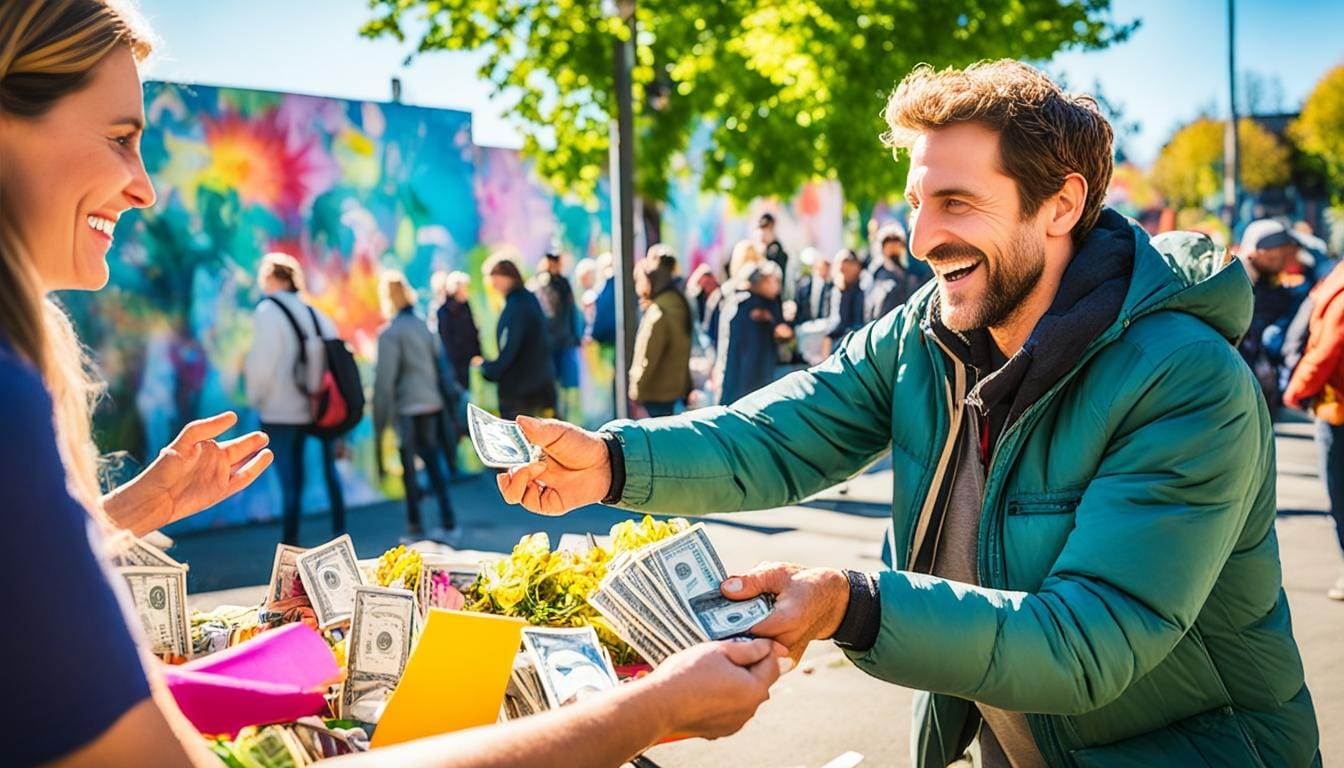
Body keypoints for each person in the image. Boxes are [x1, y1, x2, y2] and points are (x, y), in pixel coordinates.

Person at [496, 59, 1318, 767]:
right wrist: (610, 461)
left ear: (1061, 205)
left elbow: (1086, 642)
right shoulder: (927, 330)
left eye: (956, 203)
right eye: (917, 201)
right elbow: (780, 435)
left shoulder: (1185, 378)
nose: (921, 236)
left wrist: (850, 601)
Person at [244, 252, 347, 546]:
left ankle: (291, 543)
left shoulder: (267, 312)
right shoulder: (316, 314)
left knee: (291, 482)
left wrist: (257, 399)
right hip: (320, 409)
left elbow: (261, 364)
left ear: (274, 279)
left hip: (281, 410)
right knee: (329, 472)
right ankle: (341, 533)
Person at [373, 271, 456, 542]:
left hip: (407, 409)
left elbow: (385, 382)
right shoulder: (424, 326)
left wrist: (380, 420)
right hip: (431, 405)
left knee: (409, 469)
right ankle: (448, 522)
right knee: (433, 461)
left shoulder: (390, 334)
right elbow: (440, 364)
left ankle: (415, 526)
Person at [1282, 262, 1344, 602]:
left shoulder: (1339, 284)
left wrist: (1297, 390)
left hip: (1337, 406)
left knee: (1340, 495)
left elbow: (1329, 347)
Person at [1238, 218, 1310, 420]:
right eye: (1276, 256)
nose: (1282, 261)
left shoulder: (1266, 282)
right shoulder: (1240, 283)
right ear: (1258, 253)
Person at [479, 253, 556, 419]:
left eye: (494, 277)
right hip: (536, 385)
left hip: (522, 391)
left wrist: (489, 369)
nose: (492, 284)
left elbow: (511, 346)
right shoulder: (526, 300)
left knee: (521, 440)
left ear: (507, 277)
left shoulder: (518, 304)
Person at [629, 246, 693, 417]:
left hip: (657, 395)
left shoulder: (660, 312)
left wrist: (637, 391)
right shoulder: (676, 302)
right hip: (670, 392)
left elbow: (650, 356)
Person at [715, 261, 789, 404]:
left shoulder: (736, 300)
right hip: (750, 382)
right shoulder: (754, 305)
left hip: (737, 379)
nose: (778, 287)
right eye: (773, 281)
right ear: (762, 281)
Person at [531, 251, 582, 409]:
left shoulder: (563, 283)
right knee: (551, 381)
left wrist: (574, 335)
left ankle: (562, 412)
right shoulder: (540, 283)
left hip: (564, 339)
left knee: (565, 382)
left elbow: (571, 310)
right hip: (549, 342)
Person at [865, 222, 924, 321]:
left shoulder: (910, 276)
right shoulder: (875, 275)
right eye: (888, 241)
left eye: (896, 240)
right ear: (882, 247)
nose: (893, 245)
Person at [432, 270, 481, 391]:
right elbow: (447, 341)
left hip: (471, 360)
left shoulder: (466, 306)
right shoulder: (443, 311)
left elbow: (473, 331)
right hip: (455, 364)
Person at [826, 249, 866, 346]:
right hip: (836, 340)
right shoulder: (835, 290)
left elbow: (858, 322)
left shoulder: (860, 290)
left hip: (853, 341)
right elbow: (833, 320)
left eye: (850, 264)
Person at [793, 248, 833, 325]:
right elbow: (799, 309)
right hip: (805, 326)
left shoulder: (831, 287)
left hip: (824, 327)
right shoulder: (803, 286)